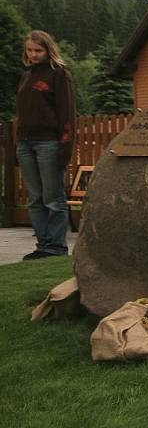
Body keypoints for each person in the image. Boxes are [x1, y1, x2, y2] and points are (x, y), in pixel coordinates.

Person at [16, 30, 76, 260]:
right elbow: (23, 113)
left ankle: (56, 247)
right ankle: (43, 246)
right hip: (26, 144)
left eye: (38, 50)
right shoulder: (26, 75)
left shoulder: (59, 75)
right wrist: (18, 142)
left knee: (53, 198)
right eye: (29, 50)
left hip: (49, 143)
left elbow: (67, 113)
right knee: (35, 199)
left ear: (48, 50)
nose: (33, 55)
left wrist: (65, 146)